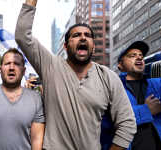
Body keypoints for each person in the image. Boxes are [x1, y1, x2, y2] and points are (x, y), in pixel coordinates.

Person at [14, 0, 136, 149]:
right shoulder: (50, 66)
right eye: (76, 35)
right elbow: (22, 36)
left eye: (88, 35)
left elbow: (127, 123)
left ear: (93, 47)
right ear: (65, 46)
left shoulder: (108, 77)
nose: (83, 38)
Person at [116, 41, 161, 150]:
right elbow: (113, 120)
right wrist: (146, 111)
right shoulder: (114, 89)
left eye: (141, 55)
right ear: (120, 65)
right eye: (132, 55)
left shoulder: (160, 84)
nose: (139, 58)